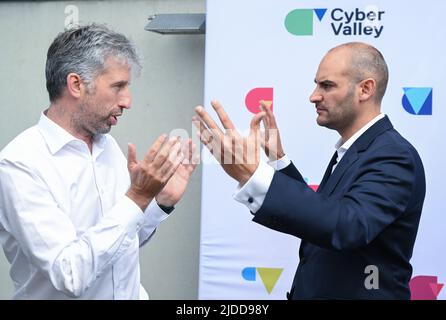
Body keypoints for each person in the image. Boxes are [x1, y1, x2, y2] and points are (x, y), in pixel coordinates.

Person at [193, 42, 426, 299]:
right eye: (317, 85)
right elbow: (324, 215)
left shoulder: (393, 155)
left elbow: (346, 227)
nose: (313, 96)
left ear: (365, 89)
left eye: (326, 85)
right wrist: (278, 161)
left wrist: (252, 174)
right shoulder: (359, 150)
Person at [0, 24, 196, 299]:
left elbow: (120, 244)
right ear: (76, 84)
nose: (128, 101)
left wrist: (159, 203)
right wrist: (137, 198)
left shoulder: (107, 147)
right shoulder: (20, 165)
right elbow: (69, 274)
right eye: (118, 86)